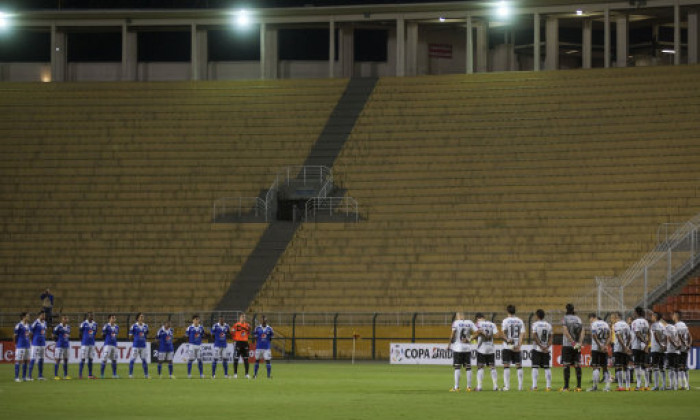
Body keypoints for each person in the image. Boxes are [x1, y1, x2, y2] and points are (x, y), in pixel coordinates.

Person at [447, 312, 477, 392]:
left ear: (458, 316)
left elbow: (452, 334)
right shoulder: (469, 322)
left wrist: (449, 345)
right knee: (468, 368)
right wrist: (470, 339)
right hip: (467, 348)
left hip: (458, 348)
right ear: (463, 316)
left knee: (457, 367)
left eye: (457, 316)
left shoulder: (456, 323)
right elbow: (478, 332)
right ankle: (469, 387)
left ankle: (456, 387)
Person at [471, 313, 498, 391]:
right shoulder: (492, 324)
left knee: (480, 367)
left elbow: (477, 333)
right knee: (492, 367)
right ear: (484, 317)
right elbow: (497, 335)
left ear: (478, 318)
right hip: (491, 348)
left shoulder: (478, 324)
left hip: (481, 349)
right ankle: (495, 386)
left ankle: (479, 387)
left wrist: (471, 338)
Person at [500, 305, 525, 391]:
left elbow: (503, 333)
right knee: (519, 365)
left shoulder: (505, 321)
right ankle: (520, 386)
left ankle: (507, 386)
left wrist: (507, 340)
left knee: (506, 365)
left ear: (507, 312)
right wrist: (519, 346)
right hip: (517, 346)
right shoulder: (520, 321)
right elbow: (522, 334)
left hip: (507, 346)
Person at [560, 303, 583, 392]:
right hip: (577, 345)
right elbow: (582, 331)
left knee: (566, 365)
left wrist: (572, 342)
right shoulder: (578, 319)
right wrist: (579, 343)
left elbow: (565, 331)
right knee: (577, 365)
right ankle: (579, 387)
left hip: (567, 345)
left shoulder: (565, 318)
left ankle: (566, 387)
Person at [531, 309, 553, 391]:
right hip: (546, 350)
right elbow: (551, 337)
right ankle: (548, 386)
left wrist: (540, 346)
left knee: (535, 367)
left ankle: (534, 386)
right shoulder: (548, 325)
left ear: (537, 316)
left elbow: (534, 336)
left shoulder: (535, 324)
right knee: (547, 368)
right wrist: (547, 346)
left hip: (537, 349)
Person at [588, 313, 611, 392]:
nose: (589, 321)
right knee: (605, 367)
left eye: (590, 319)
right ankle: (607, 386)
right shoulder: (606, 324)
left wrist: (599, 345)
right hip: (604, 349)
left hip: (595, 348)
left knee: (595, 367)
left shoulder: (593, 324)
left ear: (593, 318)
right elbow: (609, 336)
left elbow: (594, 336)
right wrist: (605, 345)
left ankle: (595, 386)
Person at [630, 307, 650, 390]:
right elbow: (649, 333)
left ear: (636, 313)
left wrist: (644, 342)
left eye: (634, 312)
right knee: (644, 366)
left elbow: (637, 334)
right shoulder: (646, 322)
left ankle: (638, 385)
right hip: (644, 347)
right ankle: (647, 384)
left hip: (636, 346)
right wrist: (647, 344)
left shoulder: (635, 322)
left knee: (637, 365)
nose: (633, 314)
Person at [611, 311, 632, 391]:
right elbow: (630, 336)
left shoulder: (616, 325)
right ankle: (628, 386)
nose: (612, 319)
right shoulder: (626, 324)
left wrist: (623, 346)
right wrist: (627, 346)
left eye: (613, 317)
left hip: (618, 348)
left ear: (616, 317)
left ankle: (620, 386)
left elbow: (618, 336)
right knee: (626, 367)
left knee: (619, 367)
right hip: (625, 349)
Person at [673, 310, 692, 391]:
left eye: (673, 315)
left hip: (679, 348)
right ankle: (687, 385)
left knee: (679, 367)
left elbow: (679, 336)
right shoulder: (684, 325)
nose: (672, 316)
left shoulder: (676, 326)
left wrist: (683, 343)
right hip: (685, 348)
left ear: (676, 316)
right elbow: (689, 336)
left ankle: (682, 385)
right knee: (684, 366)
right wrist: (689, 344)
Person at [128, 313, 149, 379]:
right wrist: (135, 341)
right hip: (136, 346)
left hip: (143, 346)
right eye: (141, 317)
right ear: (137, 318)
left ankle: (146, 375)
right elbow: (130, 336)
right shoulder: (133, 326)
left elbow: (146, 334)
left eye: (143, 317)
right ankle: (130, 375)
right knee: (133, 359)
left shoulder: (146, 326)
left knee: (144, 360)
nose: (142, 318)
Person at [649, 312, 667, 391]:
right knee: (661, 366)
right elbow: (666, 336)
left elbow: (656, 336)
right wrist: (664, 345)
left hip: (656, 348)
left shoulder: (654, 325)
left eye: (652, 316)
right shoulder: (663, 325)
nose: (651, 317)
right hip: (662, 348)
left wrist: (660, 344)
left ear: (655, 317)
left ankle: (656, 386)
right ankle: (663, 385)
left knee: (655, 367)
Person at [28, 310, 48, 381]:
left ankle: (40, 376)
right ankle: (29, 376)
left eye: (44, 315)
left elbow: (44, 332)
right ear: (39, 315)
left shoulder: (45, 323)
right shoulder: (35, 323)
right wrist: (31, 341)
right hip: (35, 343)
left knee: (41, 359)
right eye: (43, 315)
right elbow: (30, 332)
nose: (44, 316)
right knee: (33, 358)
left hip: (42, 343)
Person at [232, 313, 252, 379]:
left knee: (246, 359)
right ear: (239, 318)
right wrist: (235, 339)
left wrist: (245, 338)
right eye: (242, 317)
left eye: (244, 317)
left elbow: (248, 333)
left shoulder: (248, 325)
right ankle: (235, 374)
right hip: (238, 343)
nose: (244, 318)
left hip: (245, 343)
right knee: (236, 358)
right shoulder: (236, 325)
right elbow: (232, 332)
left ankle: (246, 374)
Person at [79, 312, 98, 379]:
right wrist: (83, 339)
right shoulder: (83, 323)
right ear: (88, 316)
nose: (92, 316)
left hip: (92, 343)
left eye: (92, 315)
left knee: (90, 359)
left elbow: (95, 333)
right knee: (83, 358)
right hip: (85, 343)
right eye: (90, 315)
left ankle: (90, 375)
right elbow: (80, 332)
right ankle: (80, 375)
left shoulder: (95, 324)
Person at [664, 314, 681, 390]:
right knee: (676, 368)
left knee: (671, 368)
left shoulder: (667, 327)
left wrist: (674, 345)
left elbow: (669, 338)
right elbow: (678, 338)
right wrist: (678, 345)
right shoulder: (675, 327)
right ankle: (676, 385)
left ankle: (671, 385)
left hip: (670, 350)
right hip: (676, 351)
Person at [100, 314, 120, 379]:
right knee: (104, 359)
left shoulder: (117, 327)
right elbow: (102, 334)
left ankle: (114, 374)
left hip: (114, 345)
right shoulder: (106, 326)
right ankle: (102, 375)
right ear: (109, 319)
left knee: (114, 360)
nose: (114, 319)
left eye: (114, 318)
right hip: (107, 345)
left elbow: (116, 335)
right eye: (112, 318)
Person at [13, 312, 31, 382]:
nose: (29, 317)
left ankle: (24, 377)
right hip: (20, 345)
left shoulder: (28, 325)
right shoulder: (18, 325)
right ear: (24, 317)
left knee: (26, 361)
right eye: (28, 316)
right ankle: (16, 377)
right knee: (19, 361)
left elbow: (28, 335)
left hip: (27, 345)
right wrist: (16, 344)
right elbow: (15, 335)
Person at [186, 314, 205, 379]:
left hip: (199, 346)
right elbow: (186, 335)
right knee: (190, 360)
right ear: (193, 320)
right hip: (192, 346)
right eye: (195, 319)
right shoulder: (189, 328)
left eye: (198, 319)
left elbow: (202, 334)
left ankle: (201, 374)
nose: (197, 321)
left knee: (200, 360)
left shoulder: (201, 327)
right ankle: (189, 374)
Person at [53, 315, 71, 380]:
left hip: (66, 345)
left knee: (66, 360)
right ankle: (56, 375)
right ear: (62, 319)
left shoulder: (68, 327)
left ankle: (65, 375)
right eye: (64, 318)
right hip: (59, 346)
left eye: (67, 318)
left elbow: (68, 335)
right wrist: (57, 340)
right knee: (58, 360)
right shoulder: (58, 327)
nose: (66, 319)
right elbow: (53, 335)